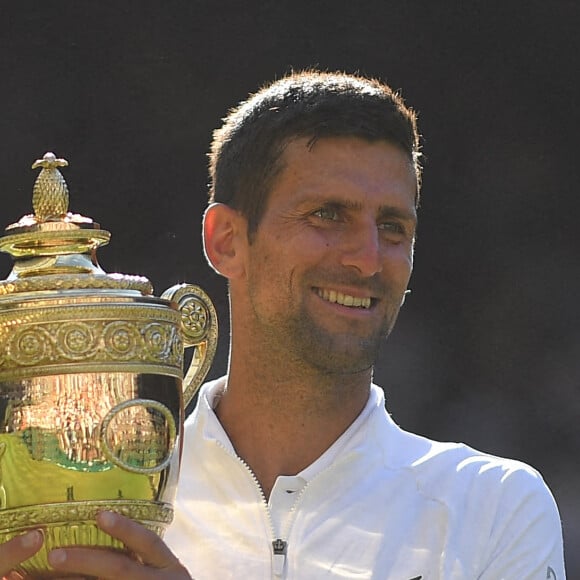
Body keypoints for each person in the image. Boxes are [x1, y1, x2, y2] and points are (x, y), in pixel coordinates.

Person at [1, 71, 566, 579]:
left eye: (392, 227)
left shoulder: (494, 507)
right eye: (327, 215)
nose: (368, 259)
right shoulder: (93, 499)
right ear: (225, 240)